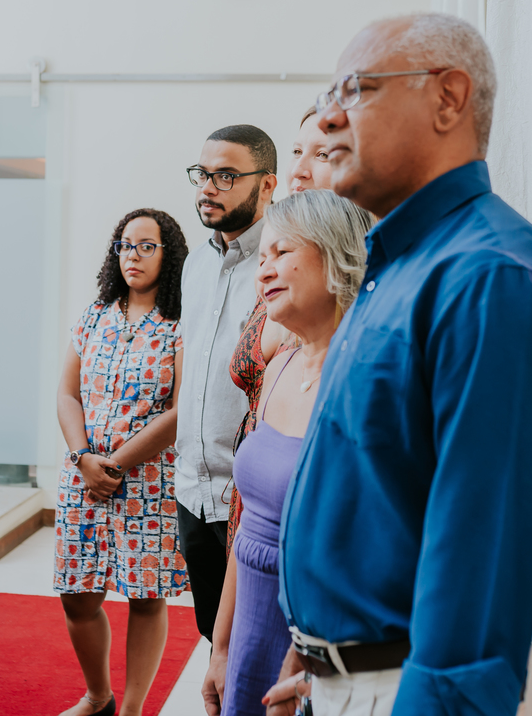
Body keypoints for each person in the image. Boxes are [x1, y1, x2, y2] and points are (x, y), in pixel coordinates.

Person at [265, 13, 532, 716]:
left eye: (354, 90)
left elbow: (479, 545)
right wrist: (322, 650)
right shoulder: (396, 267)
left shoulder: (485, 274)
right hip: (345, 677)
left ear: (449, 99)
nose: (325, 120)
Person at [203, 190, 372, 716]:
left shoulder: (365, 378)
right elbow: (251, 519)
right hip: (250, 624)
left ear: (336, 253)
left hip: (315, 641)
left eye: (282, 253)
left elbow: (365, 547)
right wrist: (222, 646)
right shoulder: (278, 369)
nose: (264, 271)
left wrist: (311, 662)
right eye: (262, 258)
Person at [54, 208, 190, 716]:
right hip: (83, 478)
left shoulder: (181, 324)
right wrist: (84, 457)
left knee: (145, 595)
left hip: (148, 482)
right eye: (125, 245)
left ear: (167, 253)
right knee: (77, 595)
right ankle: (98, 696)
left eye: (146, 245)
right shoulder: (96, 315)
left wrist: (115, 465)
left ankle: (131, 709)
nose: (133, 255)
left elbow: (181, 409)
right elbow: (67, 394)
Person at [175, 124, 279, 643]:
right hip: (193, 492)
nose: (207, 188)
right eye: (202, 173)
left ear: (267, 185)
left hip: (249, 495)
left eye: (225, 175)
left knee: (254, 648)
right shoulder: (195, 263)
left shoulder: (278, 262)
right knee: (211, 639)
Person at [225, 105, 340, 552]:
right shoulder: (279, 275)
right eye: (296, 150)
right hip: (251, 486)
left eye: (323, 154)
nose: (299, 171)